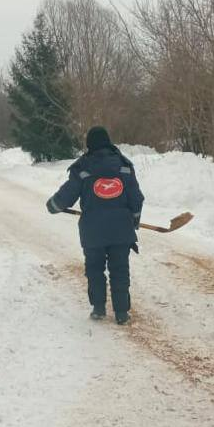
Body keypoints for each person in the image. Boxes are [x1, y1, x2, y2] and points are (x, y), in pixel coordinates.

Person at [47, 126, 144, 324]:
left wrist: (53, 205)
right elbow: (136, 198)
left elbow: (67, 195)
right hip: (121, 230)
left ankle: (99, 309)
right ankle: (122, 313)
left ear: (89, 144)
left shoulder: (83, 167)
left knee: (94, 269)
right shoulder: (124, 166)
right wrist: (134, 219)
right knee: (120, 270)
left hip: (93, 231)